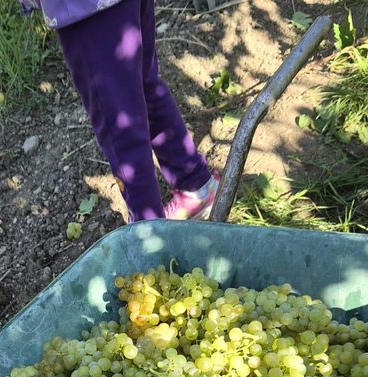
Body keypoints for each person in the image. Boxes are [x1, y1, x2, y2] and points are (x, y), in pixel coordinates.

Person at [21, 0, 220, 222]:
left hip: (85, 8)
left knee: (118, 122)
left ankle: (151, 234)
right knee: (145, 87)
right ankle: (196, 187)